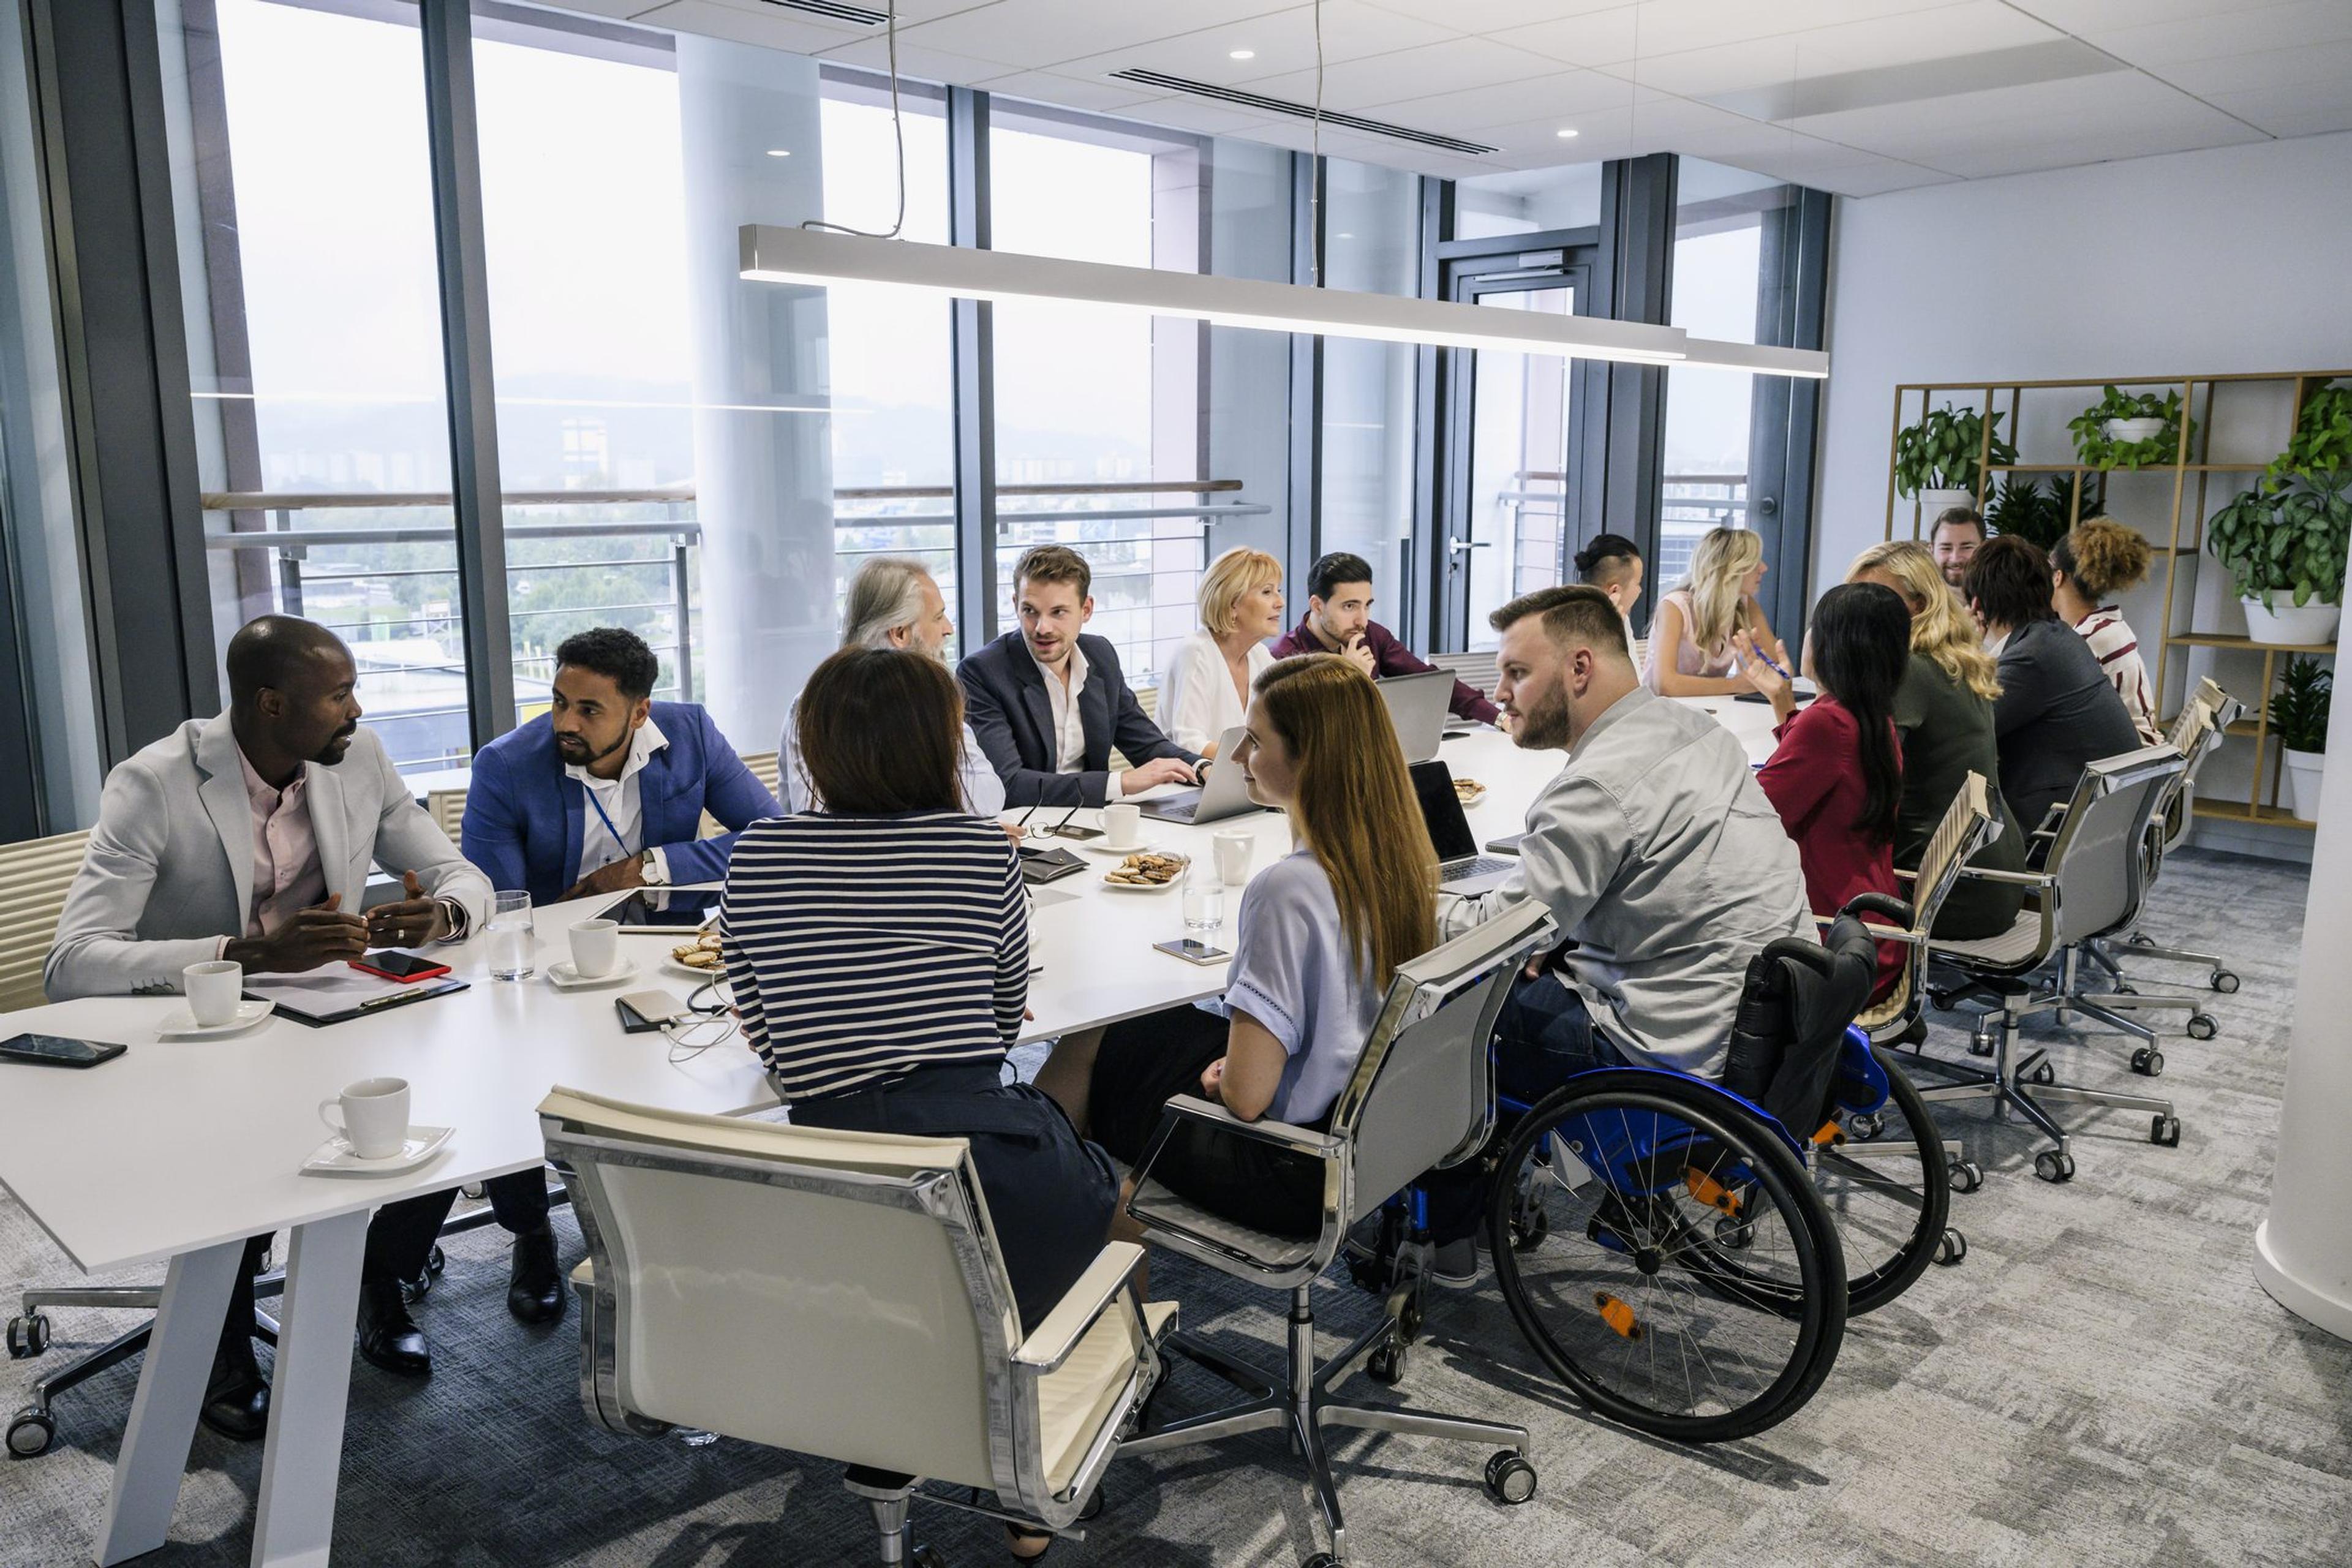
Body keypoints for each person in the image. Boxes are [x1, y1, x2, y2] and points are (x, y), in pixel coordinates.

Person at [45, 615, 494, 1436]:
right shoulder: (152, 783)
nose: (358, 711)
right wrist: (246, 954)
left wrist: (443, 915)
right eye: (339, 694)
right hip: (199, 1031)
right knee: (236, 1155)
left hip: (334, 1012)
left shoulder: (356, 759)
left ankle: (377, 1273)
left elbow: (465, 875)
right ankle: (220, 1337)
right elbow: (71, 962)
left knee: (455, 1099)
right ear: (271, 704)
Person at [1422, 585, 1810, 1272]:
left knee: (1445, 1007)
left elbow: (1486, 935)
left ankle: (1450, 1230)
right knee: (1526, 971)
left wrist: (1397, 898)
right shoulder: (1701, 735)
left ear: (1579, 669)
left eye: (1516, 673)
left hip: (1663, 1051)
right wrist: (1548, 936)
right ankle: (1523, 1192)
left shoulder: (1596, 785)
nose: (1502, 693)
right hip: (1759, 1020)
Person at [1033, 654, 1440, 1243]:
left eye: (1253, 740)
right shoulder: (1398, 858)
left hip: (1281, 1164)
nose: (1239, 758)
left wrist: (1232, 1075)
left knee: (1092, 1036)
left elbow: (1247, 1100)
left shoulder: (1288, 888)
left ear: (1310, 758)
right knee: (1145, 1023)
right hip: (1367, 1141)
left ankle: (1041, 1201)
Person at [459, 625, 778, 1323]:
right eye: (558, 702)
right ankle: (531, 1234)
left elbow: (771, 835)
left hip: (658, 953)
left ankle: (676, 1226)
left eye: (588, 710)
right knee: (516, 1079)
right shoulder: (506, 766)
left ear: (640, 712)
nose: (565, 723)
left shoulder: (689, 733)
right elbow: (505, 914)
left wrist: (648, 868)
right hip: (549, 969)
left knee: (696, 1073)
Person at [1845, 541, 2027, 940]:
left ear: (1921, 603)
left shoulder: (1910, 669)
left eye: (1880, 598)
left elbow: (1852, 772)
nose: (1865, 610)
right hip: (1992, 878)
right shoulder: (1955, 659)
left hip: (1944, 893)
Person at [1739, 584, 1912, 1000]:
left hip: (1829, 947)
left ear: (1833, 645)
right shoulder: (1871, 716)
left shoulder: (1828, 725)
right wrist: (1783, 701)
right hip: (1869, 936)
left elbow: (1752, 818)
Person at [958, 544, 1202, 807]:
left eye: (1058, 612)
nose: (1042, 628)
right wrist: (1121, 783)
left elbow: (1146, 743)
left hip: (1091, 821)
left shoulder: (1101, 655)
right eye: (1030, 611)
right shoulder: (982, 672)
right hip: (1025, 826)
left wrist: (1202, 768)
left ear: (1086, 610)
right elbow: (1008, 784)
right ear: (1016, 604)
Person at [780, 556, 1005, 815]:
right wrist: (940, 805)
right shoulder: (816, 707)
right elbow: (819, 817)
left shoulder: (934, 700)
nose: (949, 629)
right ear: (900, 634)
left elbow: (990, 795)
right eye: (938, 617)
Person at [1966, 535, 2143, 834]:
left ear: (1976, 605)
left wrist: (1966, 646)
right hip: (2102, 822)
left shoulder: (2032, 657)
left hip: (2062, 828)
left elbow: (1967, 728)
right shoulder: (2056, 636)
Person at [1268, 549, 1501, 725]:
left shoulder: (1370, 635)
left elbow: (1430, 682)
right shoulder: (1285, 657)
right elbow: (1306, 732)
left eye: (1366, 606)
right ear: (1318, 605)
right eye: (1349, 607)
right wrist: (1349, 679)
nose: (1363, 620)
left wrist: (1498, 718)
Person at [1158, 546, 1284, 756]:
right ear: (1232, 603)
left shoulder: (1260, 655)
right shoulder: (1197, 652)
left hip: (1238, 778)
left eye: (1279, 591)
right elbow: (1189, 742)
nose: (1280, 603)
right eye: (1267, 592)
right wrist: (1257, 760)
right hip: (1188, 780)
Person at [2051, 518, 2162, 745]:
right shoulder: (2109, 626)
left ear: (2058, 576)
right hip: (2143, 752)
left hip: (2127, 761)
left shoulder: (2086, 639)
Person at [1642, 526, 1784, 697]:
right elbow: (1665, 685)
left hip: (1709, 710)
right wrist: (1735, 685)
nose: (1764, 568)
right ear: (1728, 569)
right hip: (1663, 712)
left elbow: (1777, 666)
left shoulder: (1744, 604)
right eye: (1754, 562)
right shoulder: (1675, 607)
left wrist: (1757, 664)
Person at [1575, 532, 1646, 628]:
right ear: (1614, 591)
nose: (1640, 590)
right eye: (1638, 583)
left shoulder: (1621, 620)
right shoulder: (1574, 631)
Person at [1931, 506, 1987, 591]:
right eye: (1946, 548)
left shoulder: (2003, 598)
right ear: (1932, 550)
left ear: (1984, 549)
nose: (1955, 559)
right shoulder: (1913, 600)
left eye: (1967, 548)